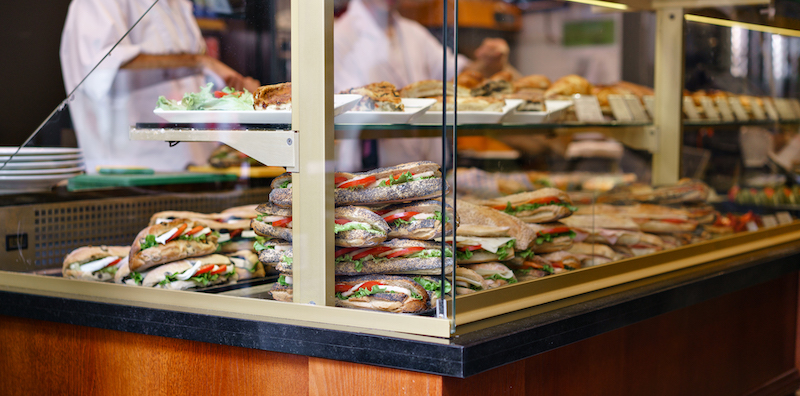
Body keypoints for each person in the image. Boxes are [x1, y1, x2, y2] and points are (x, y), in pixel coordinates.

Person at [60, 0, 260, 173]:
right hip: (128, 170)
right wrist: (198, 61)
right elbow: (101, 65)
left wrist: (233, 88)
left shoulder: (179, 4)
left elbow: (190, 76)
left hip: (195, 164)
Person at [333, 0, 515, 171]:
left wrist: (489, 61)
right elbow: (355, 107)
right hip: (373, 173)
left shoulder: (413, 33)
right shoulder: (339, 36)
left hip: (433, 170)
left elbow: (460, 76)